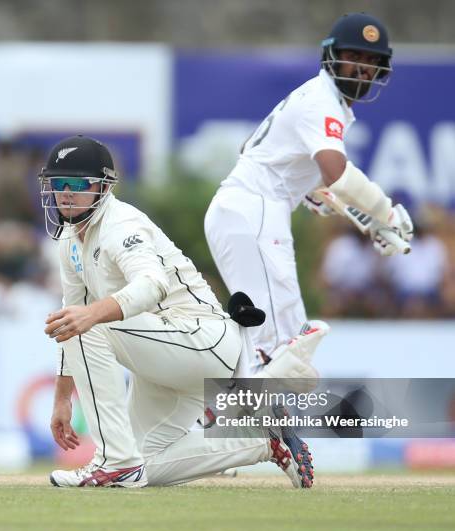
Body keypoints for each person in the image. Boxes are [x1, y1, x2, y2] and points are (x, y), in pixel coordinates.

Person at [41, 135, 315, 489]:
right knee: (145, 465)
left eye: (77, 183)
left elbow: (151, 283)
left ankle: (113, 462)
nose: (65, 192)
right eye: (56, 183)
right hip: (165, 357)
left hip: (203, 340)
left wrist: (92, 315)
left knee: (86, 324)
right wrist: (62, 399)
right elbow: (70, 317)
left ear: (103, 186)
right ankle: (262, 441)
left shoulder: (121, 226)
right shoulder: (69, 240)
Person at [204, 12, 413, 373]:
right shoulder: (321, 101)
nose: (362, 68)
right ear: (332, 57)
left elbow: (251, 149)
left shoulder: (319, 99)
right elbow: (339, 175)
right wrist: (386, 213)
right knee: (275, 348)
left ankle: (267, 429)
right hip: (254, 214)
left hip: (248, 213)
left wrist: (313, 192)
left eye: (371, 61)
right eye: (354, 57)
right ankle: (233, 423)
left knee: (290, 344)